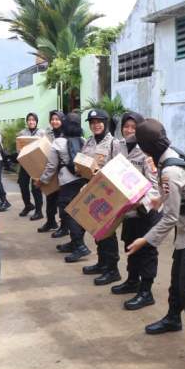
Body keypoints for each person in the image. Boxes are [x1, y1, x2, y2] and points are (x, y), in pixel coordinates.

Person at [125, 118, 185, 369]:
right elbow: (167, 198)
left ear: (146, 148)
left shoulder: (169, 170)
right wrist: (154, 200)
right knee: (177, 280)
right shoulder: (170, 154)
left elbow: (170, 217)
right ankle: (172, 319)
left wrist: (145, 240)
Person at [110, 111, 162, 310]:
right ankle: (132, 281)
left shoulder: (147, 151)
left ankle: (146, 291)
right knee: (130, 245)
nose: (129, 130)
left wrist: (140, 203)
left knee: (147, 250)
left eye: (134, 127)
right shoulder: (118, 146)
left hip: (146, 210)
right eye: (126, 126)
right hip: (128, 209)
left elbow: (155, 186)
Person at [37, 112, 89, 263]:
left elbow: (51, 166)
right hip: (82, 181)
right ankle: (74, 243)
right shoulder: (83, 140)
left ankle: (80, 246)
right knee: (78, 212)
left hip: (67, 181)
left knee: (69, 214)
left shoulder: (58, 142)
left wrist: (42, 180)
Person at [78, 109, 121, 285]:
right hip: (92, 190)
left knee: (107, 231)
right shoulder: (88, 142)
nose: (95, 125)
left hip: (108, 192)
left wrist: (101, 172)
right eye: (92, 122)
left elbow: (120, 167)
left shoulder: (114, 143)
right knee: (96, 229)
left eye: (99, 121)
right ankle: (102, 263)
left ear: (106, 122)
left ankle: (113, 270)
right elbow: (82, 162)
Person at [38, 110, 65, 235]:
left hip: (63, 172)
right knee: (50, 198)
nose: (54, 121)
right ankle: (50, 222)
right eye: (52, 119)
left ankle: (64, 227)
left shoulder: (66, 134)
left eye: (57, 119)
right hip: (50, 169)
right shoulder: (48, 134)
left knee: (62, 201)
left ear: (62, 120)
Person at [16, 112, 45, 220]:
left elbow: (46, 147)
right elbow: (18, 148)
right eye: (29, 120)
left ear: (36, 121)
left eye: (33, 120)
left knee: (35, 188)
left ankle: (38, 211)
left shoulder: (42, 133)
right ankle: (28, 205)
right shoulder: (22, 133)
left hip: (37, 164)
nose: (31, 122)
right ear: (27, 121)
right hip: (25, 163)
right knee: (23, 184)